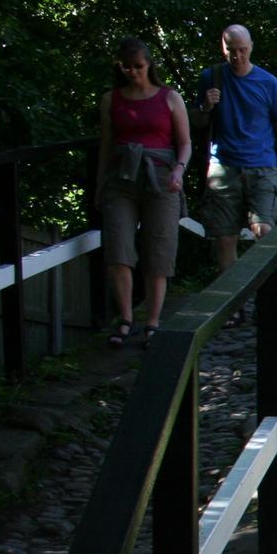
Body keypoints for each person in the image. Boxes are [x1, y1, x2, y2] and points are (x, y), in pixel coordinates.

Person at [194, 24, 277, 319]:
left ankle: (267, 297)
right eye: (232, 50)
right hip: (223, 167)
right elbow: (197, 123)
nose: (238, 56)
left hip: (262, 166)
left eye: (243, 50)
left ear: (251, 47)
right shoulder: (211, 78)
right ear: (223, 48)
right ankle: (235, 305)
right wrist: (205, 106)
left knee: (263, 230)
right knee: (224, 238)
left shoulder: (268, 83)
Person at [94, 38, 190, 348]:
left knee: (158, 249)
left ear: (149, 65)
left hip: (161, 177)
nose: (133, 72)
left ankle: (152, 320)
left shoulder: (170, 98)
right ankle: (125, 319)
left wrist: (179, 169)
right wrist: (99, 186)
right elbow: (106, 145)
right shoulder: (111, 99)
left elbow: (185, 142)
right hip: (121, 177)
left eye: (139, 66)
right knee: (118, 248)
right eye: (127, 67)